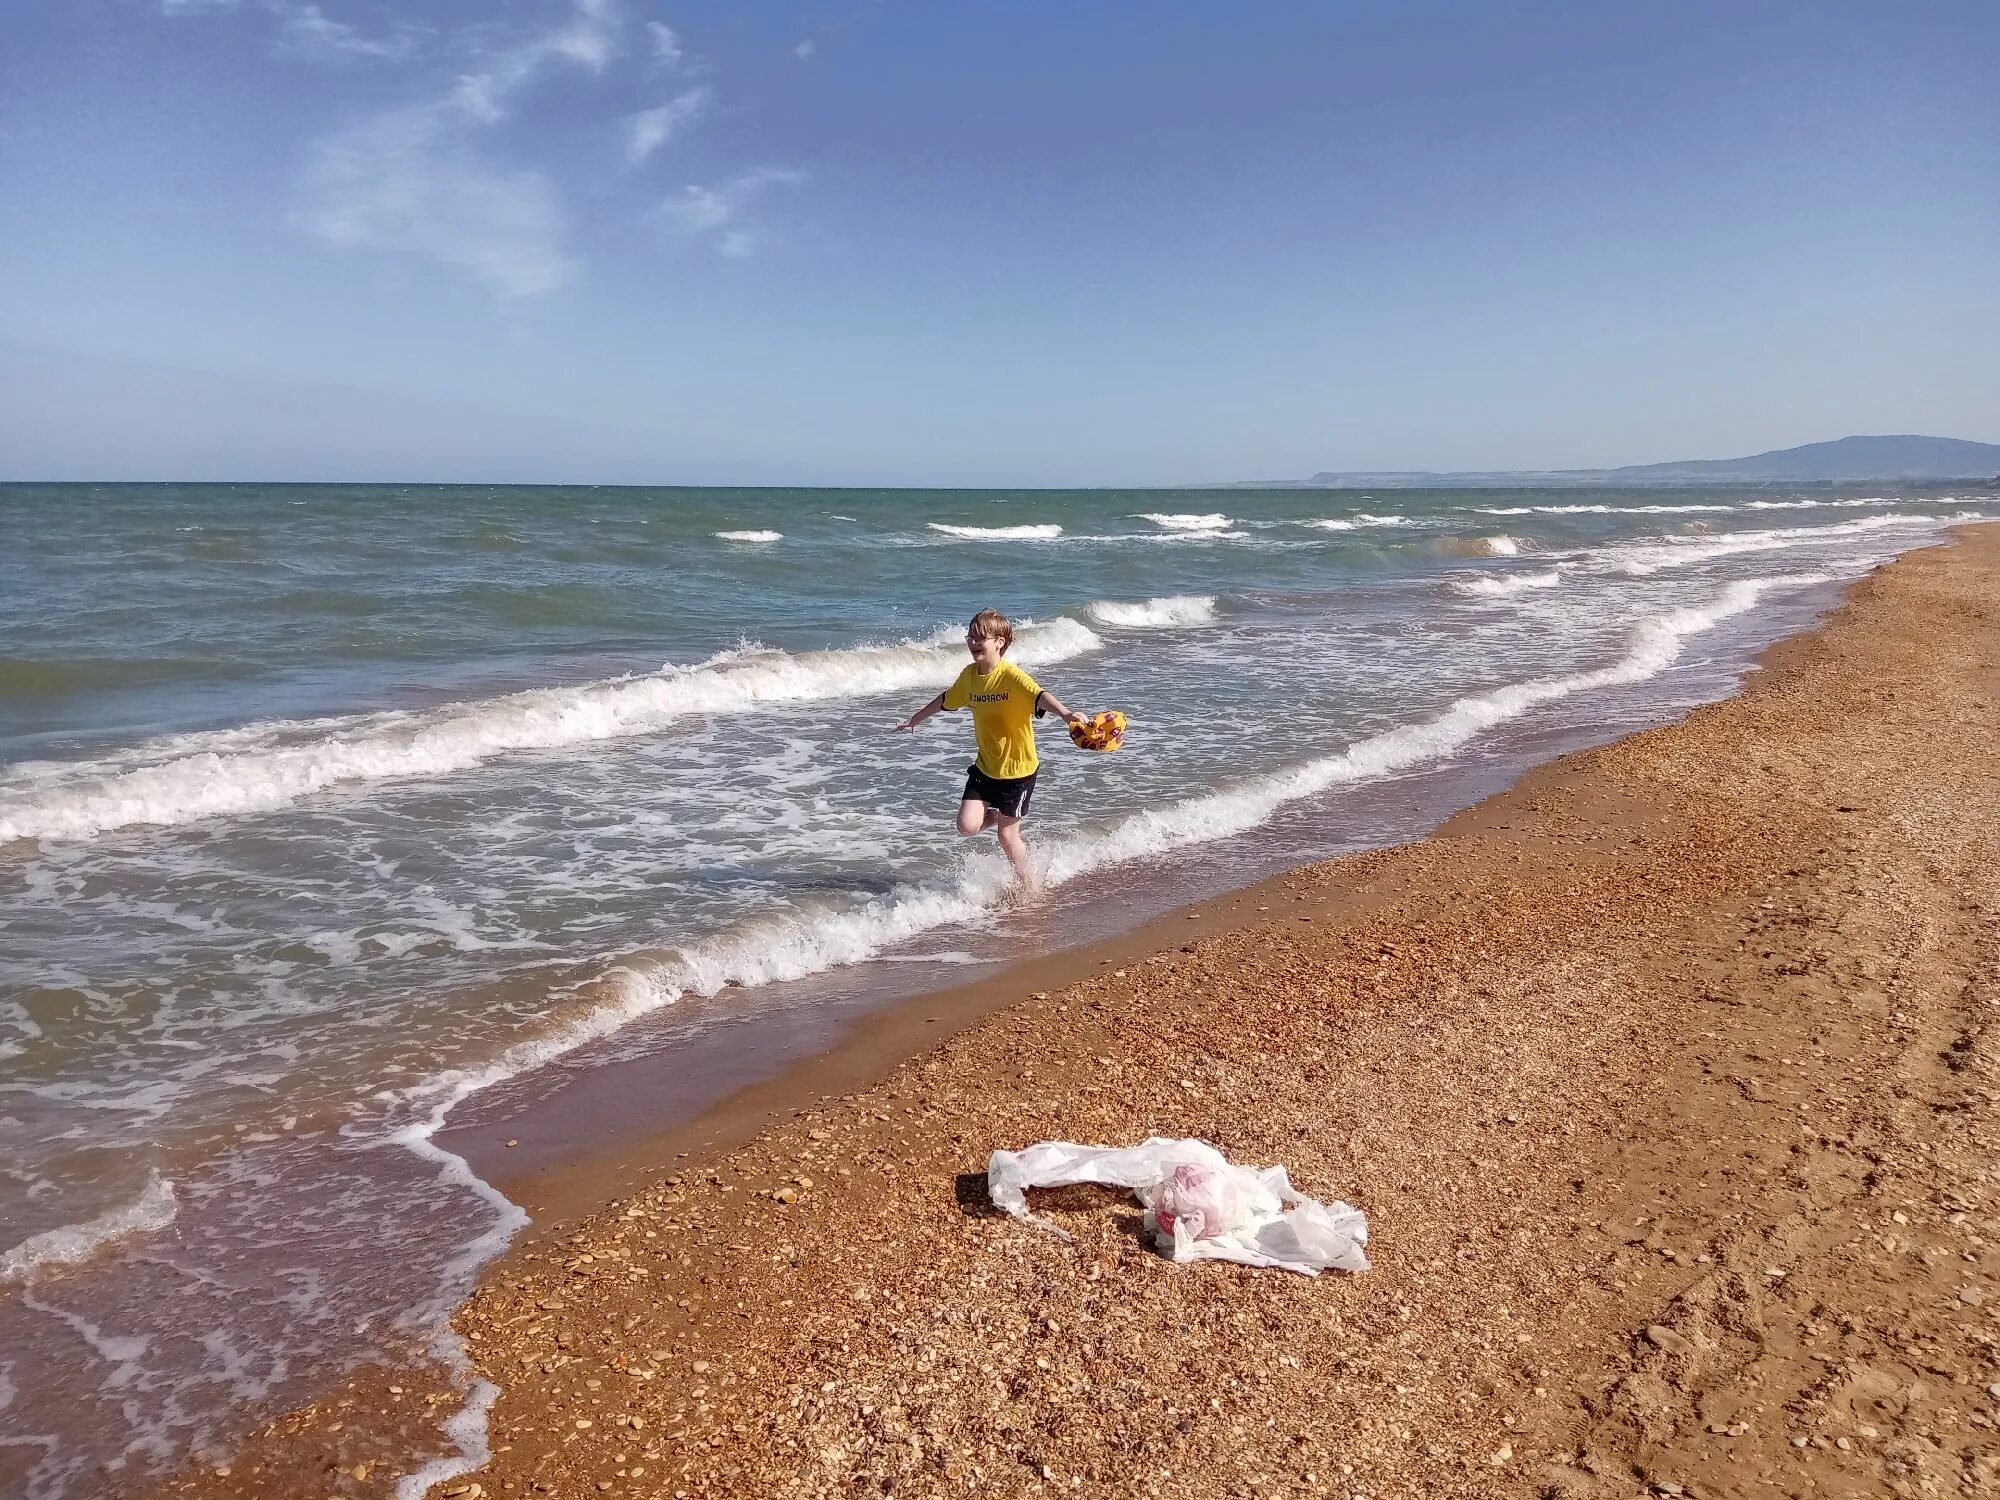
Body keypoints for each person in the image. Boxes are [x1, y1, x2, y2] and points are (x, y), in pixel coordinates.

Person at [893, 608, 1087, 887]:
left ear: (1000, 642)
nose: (973, 643)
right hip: (986, 766)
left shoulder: (1012, 676)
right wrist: (915, 719)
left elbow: (1040, 696)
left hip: (1018, 771)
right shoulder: (969, 677)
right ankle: (997, 815)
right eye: (970, 637)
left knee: (1007, 838)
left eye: (980, 637)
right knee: (967, 826)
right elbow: (945, 699)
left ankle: (1029, 886)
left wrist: (1067, 715)